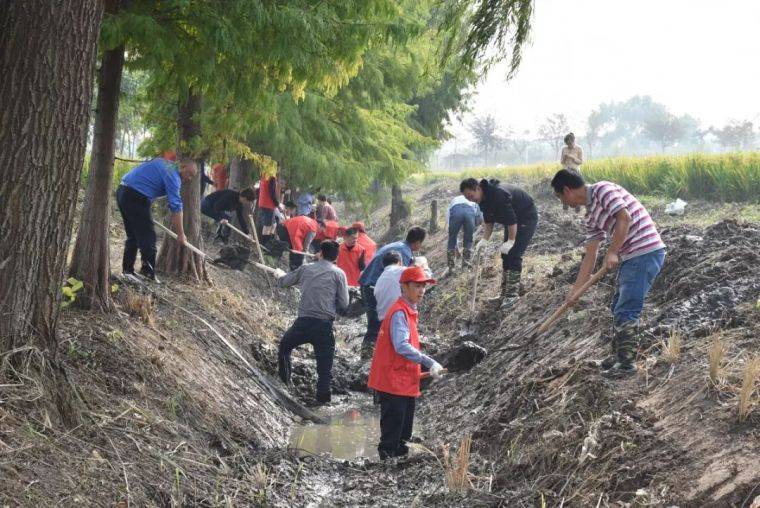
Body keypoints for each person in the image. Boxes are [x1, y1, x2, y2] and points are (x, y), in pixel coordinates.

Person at [551, 169, 666, 376]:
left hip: (645, 252)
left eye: (560, 197)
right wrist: (575, 291)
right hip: (632, 256)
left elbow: (624, 217)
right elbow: (591, 255)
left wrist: (612, 251)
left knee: (626, 309)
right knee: (617, 306)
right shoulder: (591, 215)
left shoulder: (603, 190)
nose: (564, 203)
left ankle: (627, 365)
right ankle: (620, 355)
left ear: (567, 190)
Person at [367, 265, 443, 459]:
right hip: (393, 383)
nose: (421, 291)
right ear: (403, 287)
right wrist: (429, 361)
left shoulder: (408, 311)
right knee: (392, 435)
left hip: (404, 381)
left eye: (423, 286)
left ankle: (398, 464)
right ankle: (384, 471)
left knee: (404, 434)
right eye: (417, 286)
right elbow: (401, 346)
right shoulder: (399, 312)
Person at [276, 240, 349, 403]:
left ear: (321, 252)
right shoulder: (339, 274)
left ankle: (284, 384)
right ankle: (323, 402)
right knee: (325, 370)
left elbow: (283, 282)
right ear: (336, 257)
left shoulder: (306, 268)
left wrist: (279, 274)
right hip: (324, 326)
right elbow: (344, 303)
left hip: (303, 323)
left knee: (284, 348)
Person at [461, 177, 538, 310]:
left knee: (513, 254)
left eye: (471, 196)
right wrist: (485, 239)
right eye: (468, 198)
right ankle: (505, 292)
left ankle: (512, 295)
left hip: (525, 216)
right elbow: (489, 220)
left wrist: (511, 241)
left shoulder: (497, 195)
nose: (471, 200)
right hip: (512, 222)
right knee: (505, 254)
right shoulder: (482, 198)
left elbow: (512, 221)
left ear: (478, 188)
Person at [116, 157, 198, 280]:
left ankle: (128, 271)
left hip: (123, 191)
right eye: (190, 174)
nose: (189, 178)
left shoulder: (163, 163)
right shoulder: (173, 176)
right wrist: (181, 234)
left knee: (133, 235)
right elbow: (175, 205)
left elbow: (149, 182)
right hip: (134, 196)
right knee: (148, 237)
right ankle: (148, 274)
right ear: (183, 167)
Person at [358, 227, 427, 359]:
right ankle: (369, 355)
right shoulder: (404, 252)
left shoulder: (398, 246)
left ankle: (375, 352)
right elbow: (406, 280)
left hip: (370, 283)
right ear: (418, 242)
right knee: (377, 321)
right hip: (373, 284)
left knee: (379, 320)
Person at [446, 192, 482, 273]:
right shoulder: (472, 199)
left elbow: (448, 219)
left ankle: (451, 268)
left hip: (455, 211)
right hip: (470, 212)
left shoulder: (454, 200)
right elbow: (479, 217)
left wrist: (455, 245)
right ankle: (465, 267)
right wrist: (473, 227)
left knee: (451, 240)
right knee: (468, 240)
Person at [282, 203, 319, 271]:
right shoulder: (313, 228)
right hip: (290, 231)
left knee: (295, 250)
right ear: (320, 226)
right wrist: (304, 255)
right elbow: (307, 243)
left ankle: (292, 268)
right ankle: (295, 270)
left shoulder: (310, 222)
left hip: (284, 227)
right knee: (299, 252)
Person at [561, 132, 584, 212]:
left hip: (575, 171)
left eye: (570, 143)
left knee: (576, 189)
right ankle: (565, 206)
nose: (569, 145)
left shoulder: (579, 148)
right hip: (566, 171)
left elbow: (580, 161)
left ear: (573, 141)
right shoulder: (564, 149)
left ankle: (577, 206)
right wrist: (564, 158)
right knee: (564, 189)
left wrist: (573, 158)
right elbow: (562, 162)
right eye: (567, 144)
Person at [258, 173, 280, 243]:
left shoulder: (264, 176)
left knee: (274, 224)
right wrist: (277, 204)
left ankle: (271, 242)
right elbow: (271, 192)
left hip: (264, 203)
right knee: (267, 226)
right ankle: (264, 246)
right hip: (268, 204)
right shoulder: (271, 178)